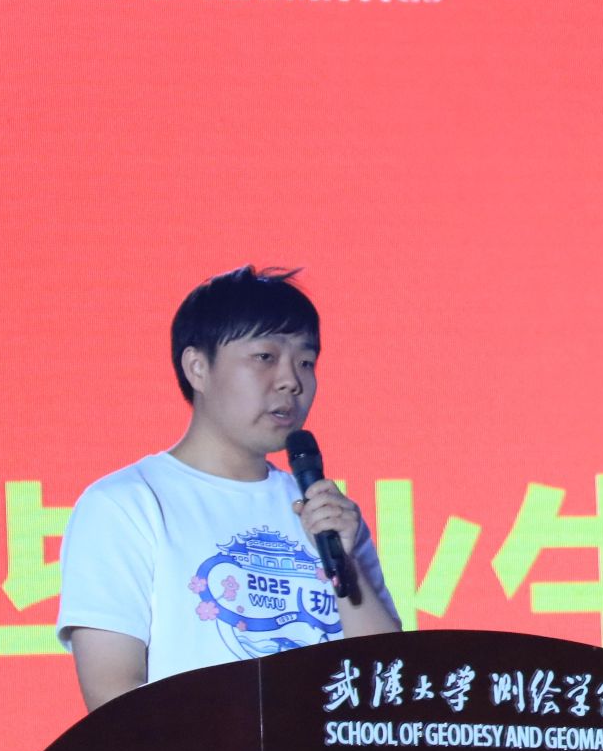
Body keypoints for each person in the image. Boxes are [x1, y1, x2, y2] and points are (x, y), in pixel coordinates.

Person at [57, 266, 400, 710]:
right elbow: (112, 694)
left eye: (306, 362)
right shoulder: (127, 504)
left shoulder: (326, 514)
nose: (291, 381)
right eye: (265, 357)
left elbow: (387, 687)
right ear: (198, 368)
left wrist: (347, 564)